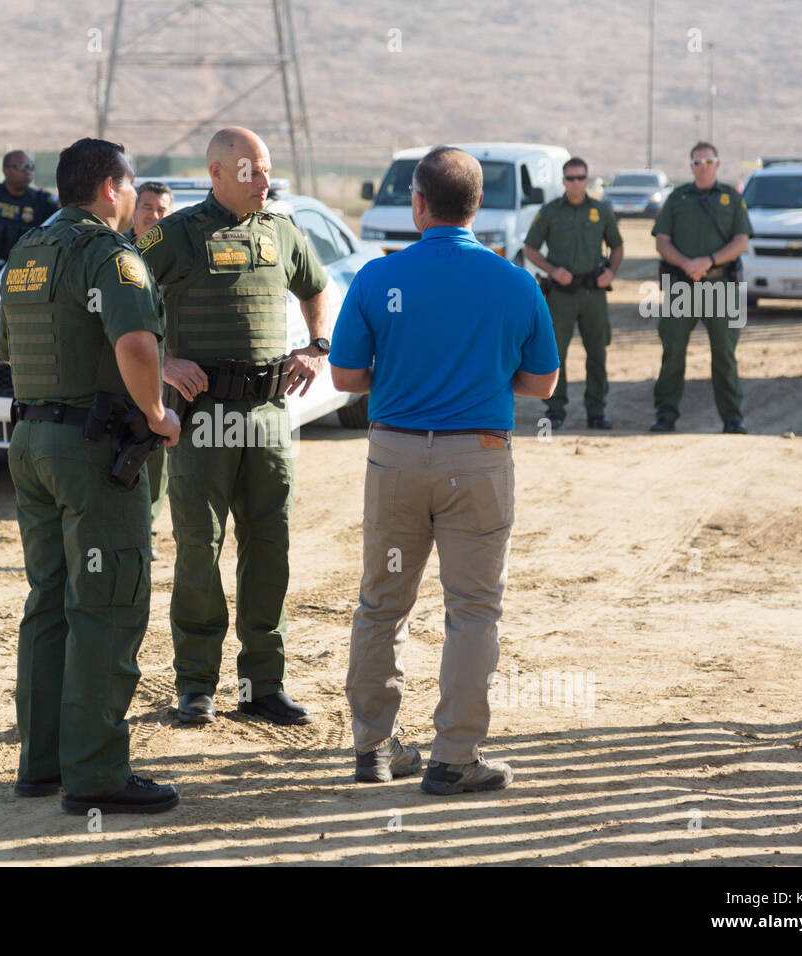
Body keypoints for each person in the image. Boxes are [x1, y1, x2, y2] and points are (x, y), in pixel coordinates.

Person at [329, 146, 559, 793]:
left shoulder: (379, 278)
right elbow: (542, 383)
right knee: (473, 611)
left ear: (418, 204)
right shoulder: (515, 281)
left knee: (381, 605)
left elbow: (346, 376)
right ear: (478, 206)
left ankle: (374, 750)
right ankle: (454, 756)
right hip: (478, 461)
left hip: (396, 457)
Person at [0, 137, 181, 814]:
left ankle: (41, 762)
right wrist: (158, 412)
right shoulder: (108, 254)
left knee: (49, 602)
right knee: (105, 605)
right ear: (111, 187)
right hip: (91, 453)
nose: (133, 199)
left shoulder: (28, 252)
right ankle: (96, 773)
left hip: (33, 441)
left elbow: (12, 352)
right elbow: (136, 343)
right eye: (129, 187)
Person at [138, 127, 331, 727]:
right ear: (217, 173)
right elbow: (117, 308)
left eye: (267, 170)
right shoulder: (172, 237)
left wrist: (317, 345)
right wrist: (163, 361)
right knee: (200, 548)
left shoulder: (281, 230)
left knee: (269, 546)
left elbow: (317, 287)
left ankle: (262, 686)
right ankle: (196, 684)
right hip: (203, 420)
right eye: (251, 171)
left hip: (270, 417)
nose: (264, 182)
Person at [650, 141, 752, 434]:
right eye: (697, 162)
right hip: (681, 286)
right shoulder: (677, 198)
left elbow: (741, 241)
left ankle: (733, 418)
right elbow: (661, 241)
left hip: (720, 286)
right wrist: (686, 264)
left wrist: (708, 261)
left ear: (718, 165)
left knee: (724, 353)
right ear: (690, 166)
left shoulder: (730, 198)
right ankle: (665, 416)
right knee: (673, 353)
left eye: (708, 162)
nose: (703, 167)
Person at [522, 156, 623, 430]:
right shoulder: (551, 211)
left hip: (593, 294)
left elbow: (616, 245)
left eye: (580, 178)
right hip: (561, 294)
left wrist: (611, 272)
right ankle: (555, 411)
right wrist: (553, 271)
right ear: (564, 181)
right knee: (556, 354)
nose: (575, 183)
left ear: (587, 180)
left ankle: (596, 411)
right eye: (570, 178)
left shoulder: (601, 211)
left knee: (597, 353)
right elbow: (530, 248)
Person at [127, 181, 175, 556]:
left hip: (169, 369)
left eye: (162, 209)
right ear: (134, 210)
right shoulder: (116, 252)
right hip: (124, 366)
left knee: (157, 453)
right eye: (147, 207)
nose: (154, 215)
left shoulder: (179, 255)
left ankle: (147, 528)